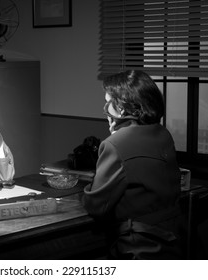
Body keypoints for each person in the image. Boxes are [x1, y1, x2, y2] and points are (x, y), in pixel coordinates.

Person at [82, 70, 183, 259]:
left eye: (107, 102)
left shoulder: (115, 144)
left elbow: (96, 206)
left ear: (121, 108)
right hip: (172, 240)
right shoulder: (162, 134)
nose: (104, 108)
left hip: (137, 246)